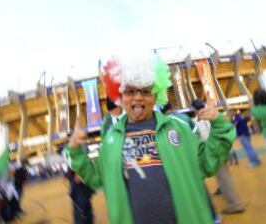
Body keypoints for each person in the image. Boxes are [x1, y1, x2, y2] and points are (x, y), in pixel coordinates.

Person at [64, 54, 236, 224]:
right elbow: (97, 177)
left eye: (145, 91)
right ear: (120, 97)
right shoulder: (111, 139)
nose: (138, 97)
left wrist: (218, 124)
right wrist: (74, 150)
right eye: (130, 91)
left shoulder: (177, 127)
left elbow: (207, 163)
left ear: (155, 96)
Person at [192, 100, 245, 215]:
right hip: (220, 148)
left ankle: (236, 204)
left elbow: (199, 137)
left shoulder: (198, 119)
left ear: (194, 108)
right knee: (224, 174)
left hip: (212, 151)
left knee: (223, 176)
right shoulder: (212, 112)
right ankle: (224, 192)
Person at [62, 148, 94, 224]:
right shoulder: (71, 166)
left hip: (83, 192)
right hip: (79, 192)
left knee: (85, 209)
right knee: (81, 210)